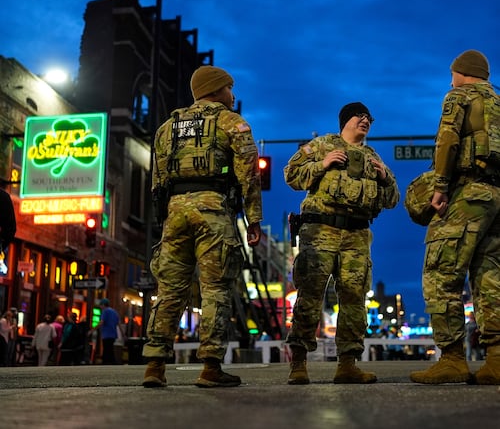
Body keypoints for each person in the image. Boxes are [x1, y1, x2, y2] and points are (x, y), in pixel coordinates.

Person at [142, 65, 262, 388]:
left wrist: (162, 217)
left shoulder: (167, 128)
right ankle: (210, 367)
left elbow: (157, 180)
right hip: (212, 208)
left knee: (168, 290)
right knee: (216, 287)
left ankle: (155, 365)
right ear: (217, 89)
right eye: (229, 88)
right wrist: (254, 220)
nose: (233, 95)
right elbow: (249, 176)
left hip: (175, 212)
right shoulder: (231, 122)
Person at [284, 102, 399, 384]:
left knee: (354, 300)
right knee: (309, 297)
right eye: (360, 116)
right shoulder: (322, 145)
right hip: (320, 230)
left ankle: (347, 364)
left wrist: (384, 177)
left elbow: (393, 199)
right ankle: (298, 364)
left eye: (369, 118)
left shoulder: (374, 158)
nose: (366, 121)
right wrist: (322, 164)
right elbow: (291, 175)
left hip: (357, 236)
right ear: (346, 120)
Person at [409, 50, 500, 385]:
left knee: (440, 272)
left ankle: (451, 359)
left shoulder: (459, 97)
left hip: (468, 193)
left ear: (464, 73)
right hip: (496, 198)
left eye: (453, 73)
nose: (450, 79)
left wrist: (441, 186)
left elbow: (447, 141)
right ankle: (496, 359)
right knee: (490, 278)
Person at [95, 298, 119, 364]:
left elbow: (101, 322)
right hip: (113, 334)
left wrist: (92, 329)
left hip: (106, 334)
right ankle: (112, 362)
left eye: (100, 305)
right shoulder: (114, 312)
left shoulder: (105, 311)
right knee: (110, 349)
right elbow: (118, 324)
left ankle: (106, 362)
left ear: (103, 305)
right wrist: (123, 335)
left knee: (106, 349)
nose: (100, 307)